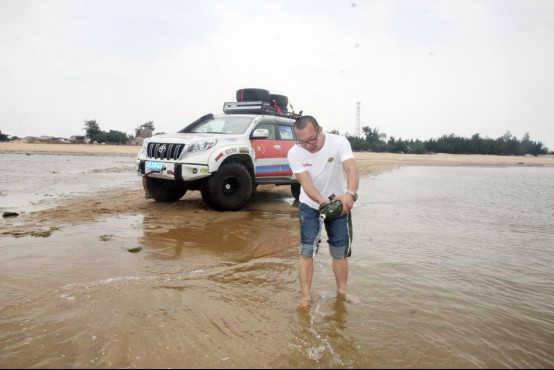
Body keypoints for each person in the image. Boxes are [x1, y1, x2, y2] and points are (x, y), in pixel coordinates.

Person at [287, 115, 360, 309]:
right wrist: (323, 203)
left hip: (339, 204)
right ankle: (306, 296)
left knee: (339, 251)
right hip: (310, 205)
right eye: (302, 142)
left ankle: (342, 293)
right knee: (307, 250)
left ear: (320, 130)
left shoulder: (339, 143)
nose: (309, 145)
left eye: (312, 139)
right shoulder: (295, 153)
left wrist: (350, 195)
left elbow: (351, 170)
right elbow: (306, 183)